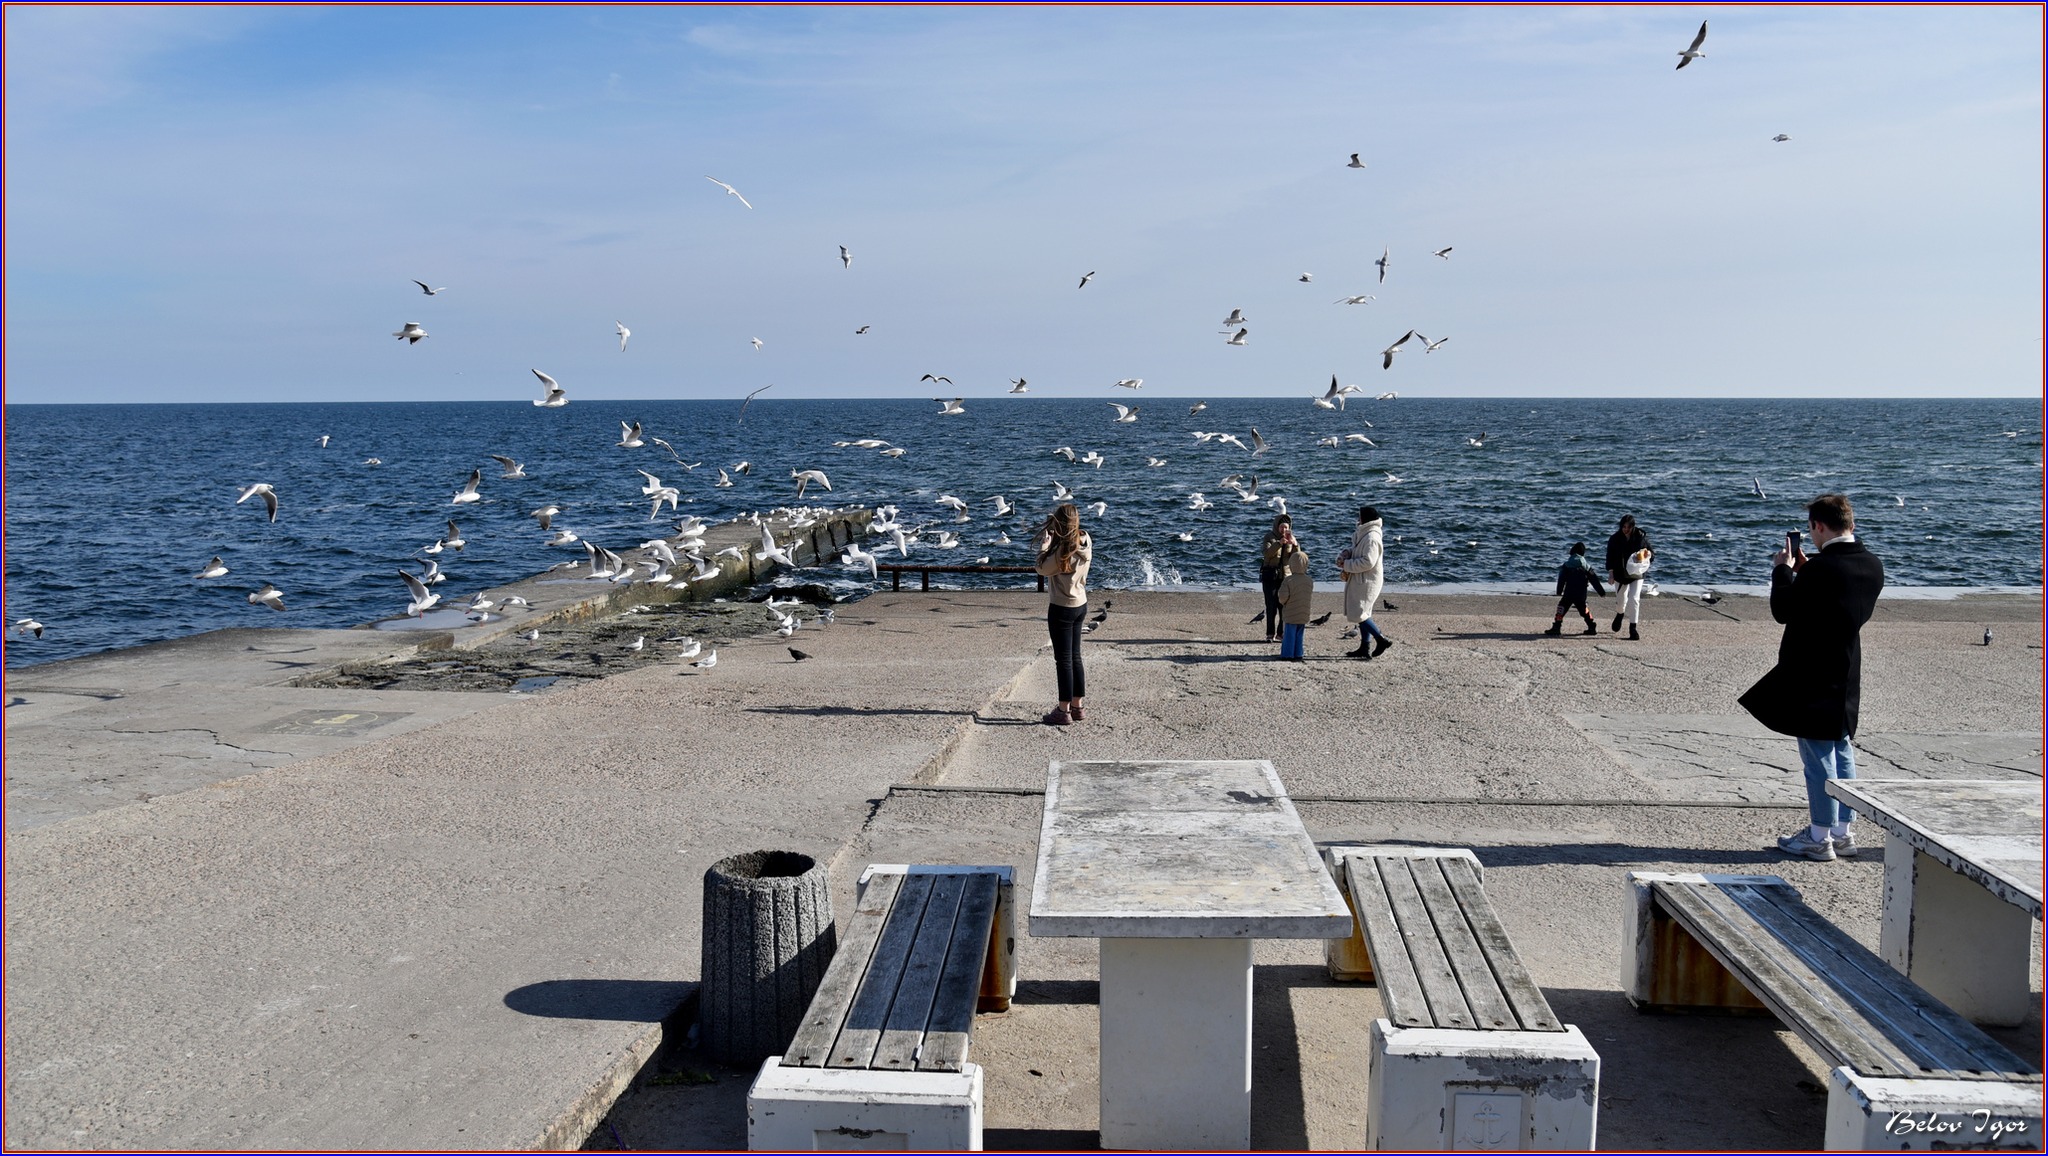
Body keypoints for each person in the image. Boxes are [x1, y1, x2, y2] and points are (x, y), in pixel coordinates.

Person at [1738, 494, 1885, 862]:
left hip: (1814, 669)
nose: (1811, 535)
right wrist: (1807, 572)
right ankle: (1843, 832)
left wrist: (1783, 570)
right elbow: (1833, 600)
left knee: (1817, 752)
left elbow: (1783, 610)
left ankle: (1819, 836)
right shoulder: (1871, 565)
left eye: (1811, 529)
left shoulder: (1822, 569)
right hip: (1847, 666)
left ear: (1819, 526)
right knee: (1841, 746)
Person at [1035, 503, 1094, 726]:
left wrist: (1044, 546)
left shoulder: (1062, 550)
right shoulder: (1085, 539)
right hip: (1081, 603)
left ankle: (1063, 710)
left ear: (1059, 523)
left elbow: (1042, 568)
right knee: (1075, 656)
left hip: (1061, 607)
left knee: (1063, 660)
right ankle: (1078, 707)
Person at [1337, 506, 1392, 660]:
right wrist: (1347, 553)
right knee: (1364, 612)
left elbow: (1368, 562)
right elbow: (1359, 551)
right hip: (1362, 579)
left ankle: (1381, 640)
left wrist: (1347, 564)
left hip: (1368, 581)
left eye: (1359, 516)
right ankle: (1364, 647)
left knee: (1360, 613)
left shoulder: (1372, 537)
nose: (1358, 519)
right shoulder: (1365, 534)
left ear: (1365, 519)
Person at [1604, 514, 1652, 640]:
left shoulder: (1640, 537)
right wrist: (1611, 573)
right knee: (1621, 601)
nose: (1625, 529)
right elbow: (1610, 557)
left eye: (1628, 527)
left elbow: (1651, 553)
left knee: (1634, 599)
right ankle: (1620, 614)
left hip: (1637, 574)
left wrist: (1646, 558)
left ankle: (1633, 628)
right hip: (1620, 574)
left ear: (1633, 527)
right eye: (1623, 527)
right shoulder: (1614, 539)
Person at [1545, 542, 1608, 635]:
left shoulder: (1566, 565)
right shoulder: (1586, 566)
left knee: (1561, 608)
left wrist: (1559, 591)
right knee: (1583, 610)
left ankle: (1556, 626)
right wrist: (1601, 592)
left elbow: (1561, 578)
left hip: (1569, 593)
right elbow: (1594, 579)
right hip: (1581, 594)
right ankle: (1591, 626)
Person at [1258, 515, 1296, 642]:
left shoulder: (1291, 538)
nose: (1283, 530)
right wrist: (1279, 543)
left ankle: (1281, 633)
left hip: (1285, 577)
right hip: (1270, 577)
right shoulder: (1269, 537)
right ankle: (1270, 634)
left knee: (1284, 606)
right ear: (1276, 526)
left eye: (1286, 527)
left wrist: (1294, 544)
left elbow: (1297, 558)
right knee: (1271, 606)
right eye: (1281, 527)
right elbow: (1267, 553)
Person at [1273, 545, 1313, 661]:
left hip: (1291, 613)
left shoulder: (1288, 580)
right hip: (1304, 612)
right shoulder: (1309, 580)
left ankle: (1287, 654)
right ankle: (1298, 653)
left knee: (1289, 634)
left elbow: (1282, 596)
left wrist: (1283, 602)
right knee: (1299, 635)